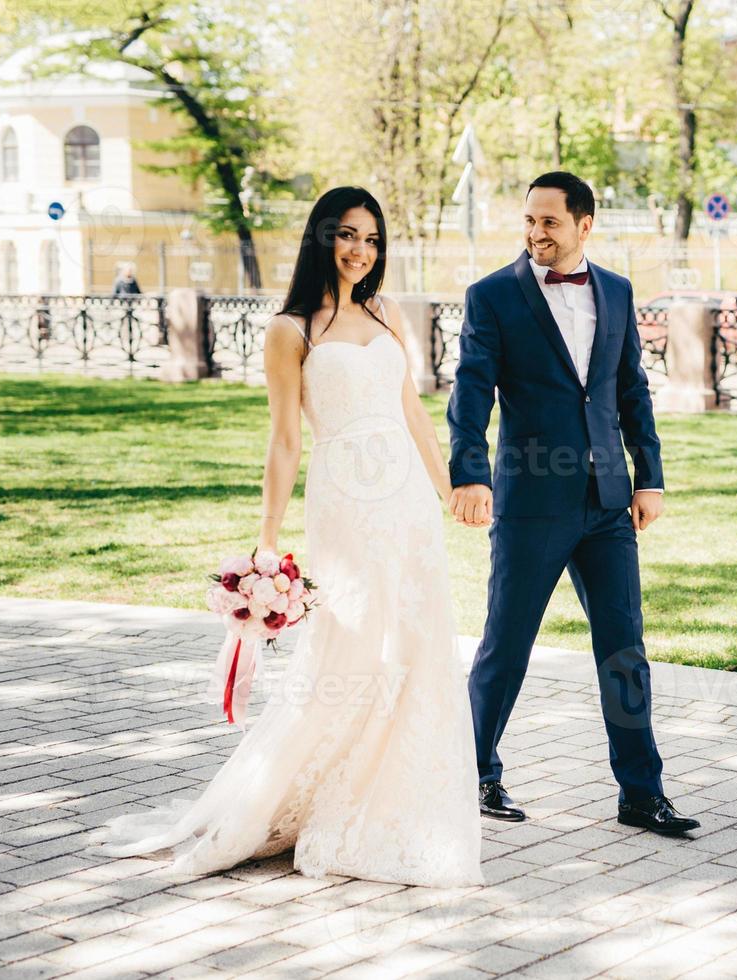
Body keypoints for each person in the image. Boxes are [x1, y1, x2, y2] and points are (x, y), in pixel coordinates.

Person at [97, 186, 483, 887]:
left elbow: (415, 415)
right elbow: (283, 440)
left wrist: (449, 488)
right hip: (345, 509)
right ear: (320, 239)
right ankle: (299, 798)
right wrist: (267, 539)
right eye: (345, 235)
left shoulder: (387, 310)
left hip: (405, 507)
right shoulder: (291, 328)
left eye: (370, 238)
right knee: (354, 648)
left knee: (419, 642)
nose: (359, 250)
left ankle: (399, 800)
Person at [448, 171, 700, 836]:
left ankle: (641, 793)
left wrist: (651, 476)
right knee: (508, 644)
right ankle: (474, 774)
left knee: (625, 648)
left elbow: (631, 391)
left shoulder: (615, 291)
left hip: (608, 504)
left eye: (550, 222)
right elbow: (471, 392)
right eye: (530, 220)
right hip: (531, 500)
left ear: (584, 225)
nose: (536, 232)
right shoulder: (492, 297)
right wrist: (470, 474)